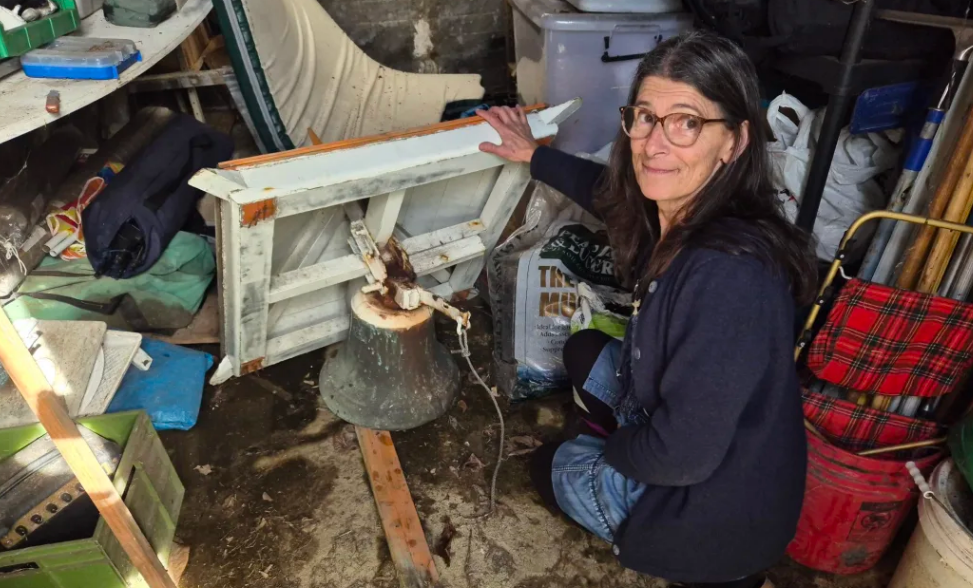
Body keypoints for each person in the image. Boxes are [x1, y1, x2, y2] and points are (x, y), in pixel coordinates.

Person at [476, 31, 815, 588]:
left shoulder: (726, 275)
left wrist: (615, 449)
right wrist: (532, 154)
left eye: (687, 122)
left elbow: (682, 458)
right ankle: (618, 447)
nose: (655, 144)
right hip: (702, 436)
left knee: (550, 467)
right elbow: (606, 192)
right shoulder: (680, 207)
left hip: (712, 515)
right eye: (646, 117)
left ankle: (661, 525)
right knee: (583, 348)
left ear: (734, 140)